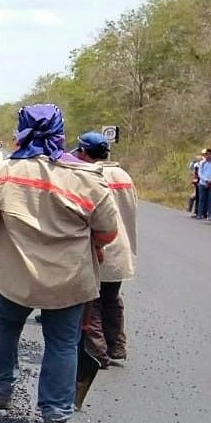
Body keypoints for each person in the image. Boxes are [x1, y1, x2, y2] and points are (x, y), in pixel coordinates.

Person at [0, 105, 118, 423]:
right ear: (61, 133)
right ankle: (54, 418)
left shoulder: (2, 173)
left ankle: (1, 389)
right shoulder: (87, 179)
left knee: (6, 327)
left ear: (21, 130)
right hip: (69, 280)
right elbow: (108, 232)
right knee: (63, 345)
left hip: (15, 276)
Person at [75, 133, 137, 366]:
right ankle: (117, 346)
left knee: (94, 303)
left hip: (100, 247)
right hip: (122, 247)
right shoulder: (123, 175)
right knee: (112, 298)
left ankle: (97, 353)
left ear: (83, 152)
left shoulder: (91, 176)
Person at [197, 148, 211, 220]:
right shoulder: (202, 163)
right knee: (202, 199)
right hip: (202, 183)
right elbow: (200, 174)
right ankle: (200, 214)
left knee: (209, 199)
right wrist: (206, 180)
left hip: (210, 183)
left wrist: (209, 181)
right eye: (206, 154)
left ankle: (209, 215)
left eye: (209, 154)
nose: (208, 156)